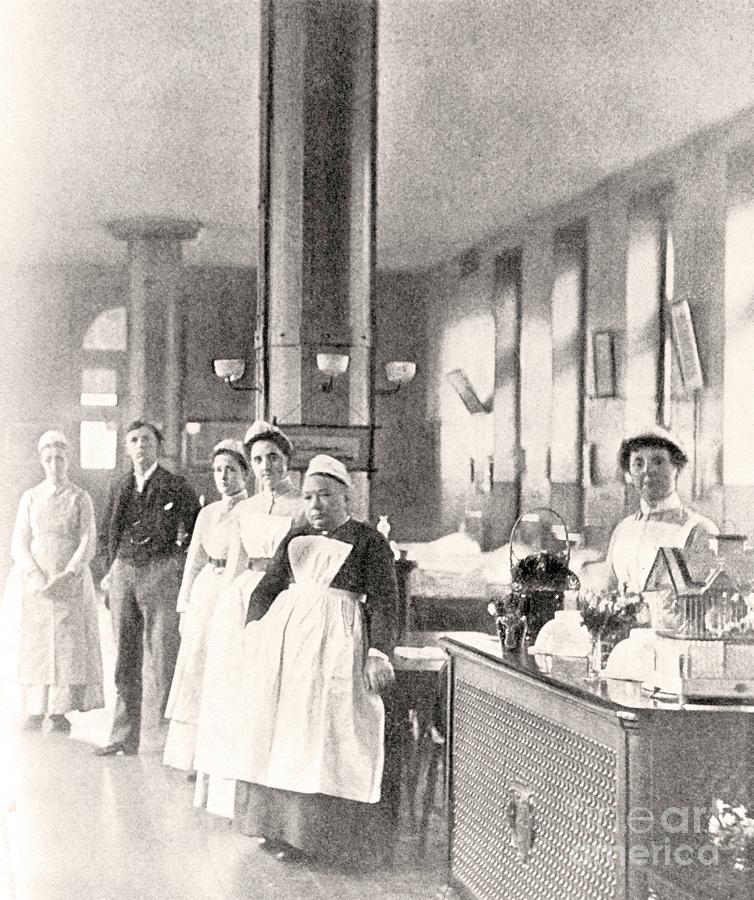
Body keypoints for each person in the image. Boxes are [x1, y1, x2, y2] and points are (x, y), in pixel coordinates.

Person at [232, 453, 399, 866]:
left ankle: (325, 838)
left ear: (347, 498)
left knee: (330, 730)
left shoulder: (368, 541)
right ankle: (280, 829)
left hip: (339, 645)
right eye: (308, 497)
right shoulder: (295, 535)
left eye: (324, 496)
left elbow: (385, 601)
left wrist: (378, 652)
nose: (315, 506)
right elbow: (265, 589)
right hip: (288, 649)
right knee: (284, 730)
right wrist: (254, 629)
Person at [192, 420, 305, 817]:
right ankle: (232, 797)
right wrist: (228, 612)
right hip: (243, 599)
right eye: (258, 460)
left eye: (273, 457)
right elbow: (238, 564)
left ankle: (273, 798)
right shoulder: (247, 509)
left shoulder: (303, 506)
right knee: (234, 692)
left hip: (286, 596)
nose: (265, 466)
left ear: (287, 460)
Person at [94, 420, 200, 756]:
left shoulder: (174, 484)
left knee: (164, 656)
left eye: (147, 440)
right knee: (125, 658)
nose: (141, 446)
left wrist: (177, 565)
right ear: (126, 447)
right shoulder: (119, 486)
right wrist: (111, 569)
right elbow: (105, 532)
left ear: (158, 446)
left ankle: (173, 743)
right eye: (135, 440)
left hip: (160, 573)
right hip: (124, 573)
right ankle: (124, 735)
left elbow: (198, 530)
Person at [8, 430, 104, 732]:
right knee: (35, 642)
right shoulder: (30, 497)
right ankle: (35, 708)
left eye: (59, 458)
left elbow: (88, 537)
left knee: (66, 644)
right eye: (48, 459)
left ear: (68, 460)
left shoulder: (80, 497)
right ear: (41, 462)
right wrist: (35, 574)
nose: (54, 464)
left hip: (69, 580)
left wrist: (70, 572)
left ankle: (60, 709)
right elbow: (19, 542)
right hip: (34, 581)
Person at [162, 439, 249, 772]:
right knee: (196, 665)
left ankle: (218, 758)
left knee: (223, 669)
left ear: (244, 473)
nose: (223, 477)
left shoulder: (249, 512)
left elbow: (239, 563)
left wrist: (228, 606)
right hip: (203, 593)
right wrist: (185, 603)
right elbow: (194, 560)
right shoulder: (208, 513)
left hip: (230, 594)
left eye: (230, 469)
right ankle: (193, 757)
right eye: (217, 470)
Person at [606, 426, 718, 594]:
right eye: (638, 463)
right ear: (629, 471)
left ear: (676, 468)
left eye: (658, 461)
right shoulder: (623, 529)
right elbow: (609, 593)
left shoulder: (698, 530)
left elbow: (700, 604)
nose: (647, 471)